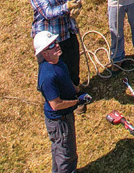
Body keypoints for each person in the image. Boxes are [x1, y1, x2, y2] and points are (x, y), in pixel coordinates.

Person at [35, 30, 88, 173]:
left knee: (62, 151)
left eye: (55, 43)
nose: (57, 46)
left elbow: (67, 79)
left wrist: (77, 91)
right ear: (44, 53)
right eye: (51, 46)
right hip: (59, 121)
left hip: (66, 116)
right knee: (65, 154)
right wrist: (77, 102)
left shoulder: (58, 62)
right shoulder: (47, 76)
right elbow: (56, 104)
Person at [30, 0, 82, 87]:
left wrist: (77, 7)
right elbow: (48, 13)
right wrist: (67, 6)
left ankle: (76, 93)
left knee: (73, 64)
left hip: (67, 32)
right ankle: (58, 100)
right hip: (49, 40)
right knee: (55, 71)